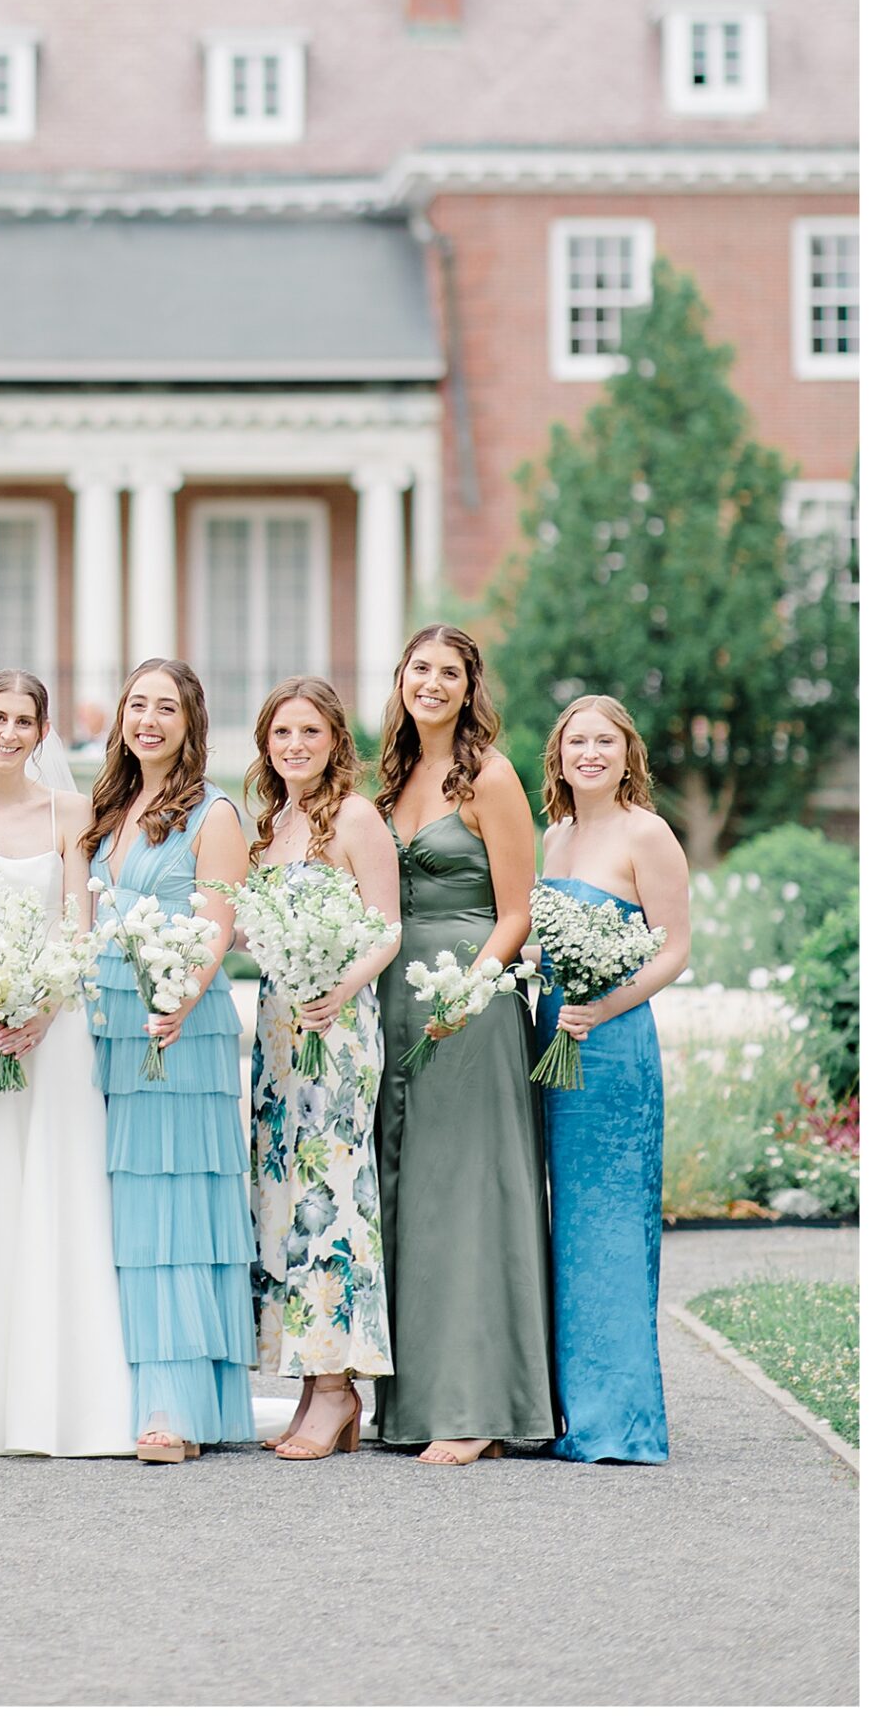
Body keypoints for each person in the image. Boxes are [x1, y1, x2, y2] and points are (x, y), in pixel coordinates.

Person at [0, 671, 133, 1458]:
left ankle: (65, 1406)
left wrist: (44, 1006)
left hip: (56, 1023)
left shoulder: (70, 812)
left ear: (42, 734)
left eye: (23, 721)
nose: (8, 733)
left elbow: (80, 925)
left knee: (55, 1187)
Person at [373, 625, 557, 1463]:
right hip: (388, 999)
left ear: (469, 686)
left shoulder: (488, 776)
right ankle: (406, 1401)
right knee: (405, 1190)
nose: (432, 684)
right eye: (420, 669)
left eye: (449, 672)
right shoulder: (386, 778)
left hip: (470, 1003)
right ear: (401, 679)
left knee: (467, 1194)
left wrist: (466, 989)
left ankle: (475, 1404)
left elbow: (516, 909)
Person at [84, 658, 256, 1463]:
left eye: (166, 708)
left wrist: (179, 999)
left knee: (175, 1214)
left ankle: (175, 1410)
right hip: (107, 1027)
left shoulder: (211, 812)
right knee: (126, 1213)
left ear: (190, 724)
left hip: (175, 1029)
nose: (148, 720)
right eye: (137, 705)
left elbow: (216, 924)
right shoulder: (110, 805)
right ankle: (134, 1391)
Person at [246, 676, 402, 1462]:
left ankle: (340, 1387)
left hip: (335, 1031)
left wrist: (336, 989)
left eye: (308, 732)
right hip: (277, 1037)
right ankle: (311, 1386)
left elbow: (386, 929)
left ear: (336, 740)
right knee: (282, 1200)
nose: (294, 746)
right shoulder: (269, 824)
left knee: (332, 1196)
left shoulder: (353, 817)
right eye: (280, 734)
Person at [536, 694, 689, 1463]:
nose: (587, 753)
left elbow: (673, 948)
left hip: (612, 1042)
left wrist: (604, 1005)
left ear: (628, 752)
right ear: (558, 755)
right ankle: (565, 1408)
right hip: (550, 1040)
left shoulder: (645, 832)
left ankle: (618, 1419)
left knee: (608, 1222)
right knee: (563, 1224)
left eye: (602, 741)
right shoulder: (554, 835)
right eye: (574, 741)